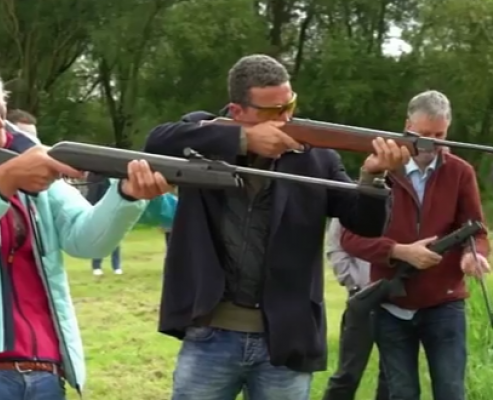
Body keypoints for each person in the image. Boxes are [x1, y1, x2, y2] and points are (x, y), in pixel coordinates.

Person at [0, 49, 170, 400]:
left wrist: (127, 195)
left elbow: (86, 240)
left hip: (43, 365)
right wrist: (2, 183)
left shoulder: (23, 149)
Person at [143, 54, 410, 400]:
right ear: (237, 111)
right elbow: (156, 142)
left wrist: (373, 176)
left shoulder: (318, 157)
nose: (286, 118)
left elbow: (365, 223)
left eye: (290, 105)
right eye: (272, 112)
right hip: (210, 333)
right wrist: (243, 142)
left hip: (285, 338)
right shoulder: (202, 137)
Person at [340, 90, 490, 400]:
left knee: (451, 391)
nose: (431, 144)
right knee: (402, 393)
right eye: (423, 135)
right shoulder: (381, 170)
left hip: (445, 303)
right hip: (391, 304)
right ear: (407, 125)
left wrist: (472, 256)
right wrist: (399, 251)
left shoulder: (461, 172)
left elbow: (476, 230)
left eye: (439, 135)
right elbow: (350, 237)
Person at [321, 218, 389, 400]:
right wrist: (354, 282)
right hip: (362, 299)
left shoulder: (406, 199)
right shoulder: (353, 202)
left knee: (391, 377)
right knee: (348, 372)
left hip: (397, 300)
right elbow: (335, 246)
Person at [85, 173, 123, 275]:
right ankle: (96, 265)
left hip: (116, 210)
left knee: (116, 238)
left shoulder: (119, 178)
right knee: (99, 237)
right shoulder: (98, 177)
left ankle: (116, 266)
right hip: (99, 209)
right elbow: (92, 193)